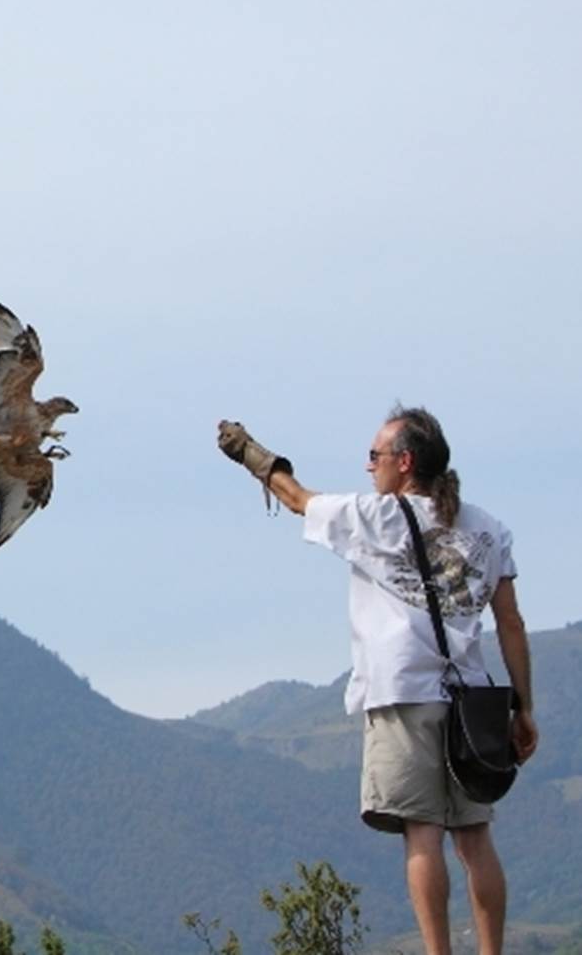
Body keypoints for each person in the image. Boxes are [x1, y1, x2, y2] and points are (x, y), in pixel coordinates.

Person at [216, 405, 538, 955]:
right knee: (476, 839)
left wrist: (251, 455)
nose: (369, 468)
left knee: (422, 834)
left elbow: (297, 499)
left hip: (402, 694)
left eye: (375, 456)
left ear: (405, 462)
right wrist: (522, 708)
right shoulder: (490, 529)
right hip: (472, 704)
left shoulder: (378, 517)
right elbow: (510, 621)